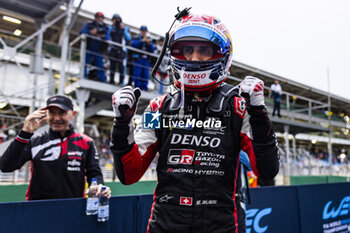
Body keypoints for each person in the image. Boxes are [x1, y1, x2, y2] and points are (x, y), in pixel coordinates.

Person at [110, 13, 279, 233]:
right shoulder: (157, 108)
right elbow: (129, 174)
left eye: (204, 50)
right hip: (166, 224)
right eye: (188, 50)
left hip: (220, 225)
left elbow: (266, 170)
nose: (194, 58)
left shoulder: (239, 106)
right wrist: (122, 123)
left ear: (222, 54)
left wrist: (258, 113)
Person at [0, 94, 111, 200]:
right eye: (52, 113)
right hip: (38, 210)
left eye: (62, 113)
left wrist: (99, 186)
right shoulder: (35, 141)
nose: (56, 118)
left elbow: (94, 174)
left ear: (73, 114)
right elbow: (6, 166)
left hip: (72, 209)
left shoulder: (86, 142)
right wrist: (24, 133)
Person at [80, 12, 108, 82]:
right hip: (89, 48)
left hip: (98, 50)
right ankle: (83, 76)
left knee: (100, 66)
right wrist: (90, 32)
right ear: (95, 18)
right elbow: (82, 32)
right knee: (84, 63)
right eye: (98, 17)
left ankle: (102, 80)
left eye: (101, 18)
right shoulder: (89, 24)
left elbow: (107, 37)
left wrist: (98, 33)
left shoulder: (105, 27)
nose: (99, 19)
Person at [107, 13, 131, 85]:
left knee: (121, 67)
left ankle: (121, 83)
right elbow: (107, 36)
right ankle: (111, 81)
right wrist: (112, 26)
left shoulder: (125, 29)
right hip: (112, 50)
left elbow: (128, 38)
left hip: (122, 51)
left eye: (118, 20)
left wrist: (123, 29)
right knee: (112, 66)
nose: (116, 22)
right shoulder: (110, 28)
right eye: (114, 20)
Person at [131, 25, 155, 90]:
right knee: (137, 74)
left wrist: (149, 44)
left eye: (145, 31)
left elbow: (152, 49)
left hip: (146, 60)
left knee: (145, 74)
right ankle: (137, 88)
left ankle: (144, 88)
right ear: (140, 31)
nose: (144, 32)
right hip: (138, 59)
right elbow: (133, 45)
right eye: (142, 31)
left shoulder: (149, 39)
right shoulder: (136, 37)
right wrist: (142, 41)